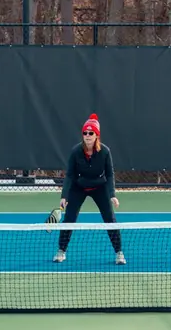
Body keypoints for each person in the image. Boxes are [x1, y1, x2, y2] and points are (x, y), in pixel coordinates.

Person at [53, 113, 125, 265]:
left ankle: (119, 253)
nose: (87, 135)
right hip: (79, 187)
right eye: (85, 133)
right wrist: (64, 196)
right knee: (69, 220)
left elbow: (110, 174)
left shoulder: (105, 152)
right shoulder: (76, 151)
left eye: (91, 133)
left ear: (96, 135)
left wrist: (112, 194)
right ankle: (61, 250)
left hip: (100, 187)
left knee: (110, 220)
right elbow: (70, 175)